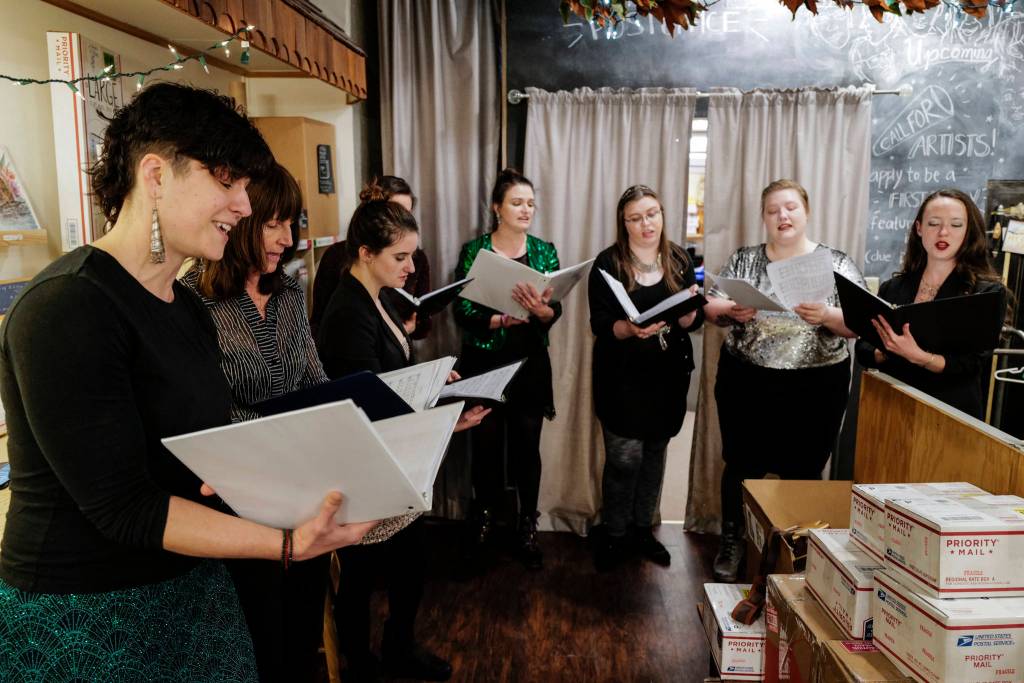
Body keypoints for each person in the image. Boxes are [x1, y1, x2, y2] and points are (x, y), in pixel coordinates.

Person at [0, 83, 373, 681]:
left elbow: (204, 447)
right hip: (88, 616)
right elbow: (124, 508)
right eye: (228, 182)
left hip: (192, 589)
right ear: (154, 175)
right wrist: (285, 542)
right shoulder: (68, 306)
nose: (246, 207)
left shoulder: (186, 308)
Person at [316, 200, 489, 682]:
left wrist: (433, 388)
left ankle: (395, 648)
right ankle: (359, 660)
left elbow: (388, 379)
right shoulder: (349, 309)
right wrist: (436, 415)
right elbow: (364, 399)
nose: (412, 268)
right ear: (366, 252)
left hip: (393, 451)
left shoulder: (377, 297)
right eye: (401, 257)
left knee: (408, 566)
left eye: (412, 256)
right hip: (368, 460)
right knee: (364, 572)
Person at [181, 163, 331, 681]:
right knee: (258, 644)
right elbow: (199, 410)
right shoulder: (193, 299)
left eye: (293, 224)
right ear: (242, 220)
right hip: (237, 502)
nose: (288, 240)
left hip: (302, 490)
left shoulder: (288, 293)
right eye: (275, 224)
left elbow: (316, 379)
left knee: (301, 639)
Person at [703, 179, 864, 583]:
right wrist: (731, 310)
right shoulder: (745, 258)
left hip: (815, 386)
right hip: (747, 379)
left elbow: (860, 323)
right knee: (740, 464)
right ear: (764, 218)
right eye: (773, 210)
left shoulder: (835, 262)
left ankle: (796, 546)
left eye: (790, 208)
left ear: (806, 212)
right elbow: (711, 304)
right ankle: (734, 540)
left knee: (804, 470)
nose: (783, 216)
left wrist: (827, 316)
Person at [588, 185, 704, 571]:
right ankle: (614, 533)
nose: (646, 224)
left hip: (667, 377)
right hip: (621, 378)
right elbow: (601, 323)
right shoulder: (608, 263)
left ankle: (642, 529)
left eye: (652, 214)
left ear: (662, 214)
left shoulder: (678, 258)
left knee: (654, 455)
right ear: (624, 224)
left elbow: (692, 318)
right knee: (624, 458)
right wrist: (627, 328)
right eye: (636, 218)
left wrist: (690, 315)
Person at [453, 168, 562, 571]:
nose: (526, 209)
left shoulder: (544, 250)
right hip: (484, 361)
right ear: (497, 207)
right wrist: (502, 320)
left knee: (526, 447)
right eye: (517, 202)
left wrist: (539, 311)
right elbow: (462, 307)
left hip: (529, 361)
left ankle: (526, 524)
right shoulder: (475, 251)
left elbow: (556, 309)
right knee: (484, 446)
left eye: (531, 203)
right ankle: (482, 520)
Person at [855, 188, 1007, 419]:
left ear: (967, 232)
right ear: (919, 228)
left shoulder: (986, 293)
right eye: (934, 223)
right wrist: (887, 351)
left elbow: (971, 365)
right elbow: (863, 347)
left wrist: (919, 356)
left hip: (949, 415)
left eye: (956, 225)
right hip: (889, 408)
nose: (943, 232)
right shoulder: (892, 288)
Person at [310, 175, 432, 339]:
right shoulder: (337, 258)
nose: (405, 221)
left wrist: (407, 328)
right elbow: (320, 320)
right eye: (397, 212)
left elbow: (423, 325)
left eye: (408, 214)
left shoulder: (417, 259)